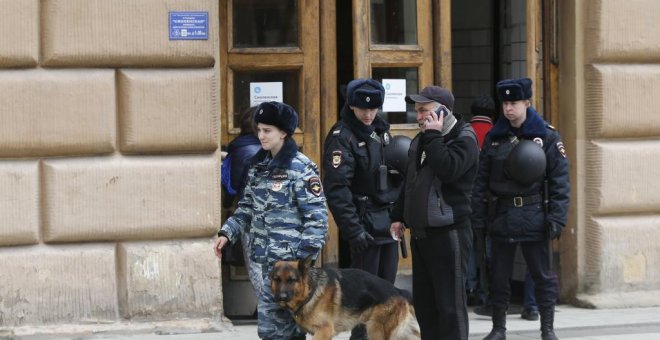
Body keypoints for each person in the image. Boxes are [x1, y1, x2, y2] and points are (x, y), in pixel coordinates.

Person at [213, 101, 329, 340]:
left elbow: (317, 220)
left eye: (267, 131)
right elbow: (246, 208)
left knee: (290, 331)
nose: (261, 136)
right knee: (269, 331)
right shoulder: (258, 166)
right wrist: (227, 233)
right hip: (269, 267)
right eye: (259, 130)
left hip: (292, 273)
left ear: (283, 133)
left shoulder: (301, 169)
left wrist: (300, 264)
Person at [471, 78, 570, 340]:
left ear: (527, 102)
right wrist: (478, 219)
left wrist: (557, 218)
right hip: (502, 216)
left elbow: (560, 181)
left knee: (543, 276)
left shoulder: (546, 136)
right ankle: (498, 328)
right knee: (499, 277)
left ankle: (547, 328)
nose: (508, 109)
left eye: (513, 103)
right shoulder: (494, 137)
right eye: (504, 103)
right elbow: (481, 181)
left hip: (535, 216)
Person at [390, 85, 480, 340]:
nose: (418, 116)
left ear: (443, 112)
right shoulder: (422, 139)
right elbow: (411, 182)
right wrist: (398, 216)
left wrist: (433, 136)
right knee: (427, 307)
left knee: (450, 307)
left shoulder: (464, 137)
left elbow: (448, 169)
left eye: (424, 110)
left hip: (449, 234)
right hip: (422, 235)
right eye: (417, 111)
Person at [322, 78, 405, 340]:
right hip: (363, 226)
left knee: (387, 296)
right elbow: (337, 189)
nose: (368, 114)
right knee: (361, 301)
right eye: (362, 109)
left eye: (373, 109)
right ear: (352, 106)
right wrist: (352, 229)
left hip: (387, 224)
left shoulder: (382, 132)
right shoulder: (342, 136)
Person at [220, 106, 263, 296]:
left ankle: (269, 310)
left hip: (250, 217)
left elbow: (233, 185)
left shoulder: (240, 149)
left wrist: (228, 204)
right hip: (273, 217)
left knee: (256, 267)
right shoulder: (277, 149)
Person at [466, 95, 496, 306]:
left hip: (465, 198)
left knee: (469, 246)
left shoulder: (464, 132)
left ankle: (470, 286)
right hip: (490, 200)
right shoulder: (496, 134)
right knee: (489, 246)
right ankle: (490, 289)